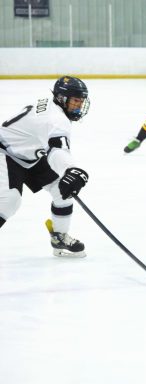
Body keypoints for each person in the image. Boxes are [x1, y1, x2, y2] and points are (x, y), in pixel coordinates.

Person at [0, 76, 90, 257]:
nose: (78, 106)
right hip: (5, 152)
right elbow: (57, 150)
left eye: (81, 102)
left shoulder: (50, 104)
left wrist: (67, 172)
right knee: (9, 202)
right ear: (62, 98)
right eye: (75, 101)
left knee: (62, 190)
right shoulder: (57, 118)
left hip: (28, 154)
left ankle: (59, 238)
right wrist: (71, 169)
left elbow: (49, 148)